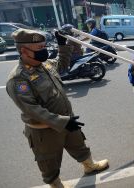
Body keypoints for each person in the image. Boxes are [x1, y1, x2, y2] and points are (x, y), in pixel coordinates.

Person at [6, 27, 109, 188]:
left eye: (45, 47)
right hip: (44, 129)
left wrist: (62, 44)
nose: (44, 51)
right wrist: (62, 122)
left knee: (78, 144)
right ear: (24, 51)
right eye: (39, 48)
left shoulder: (44, 65)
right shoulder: (18, 78)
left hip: (66, 120)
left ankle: (89, 165)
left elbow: (62, 65)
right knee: (49, 160)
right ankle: (56, 184)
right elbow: (32, 110)